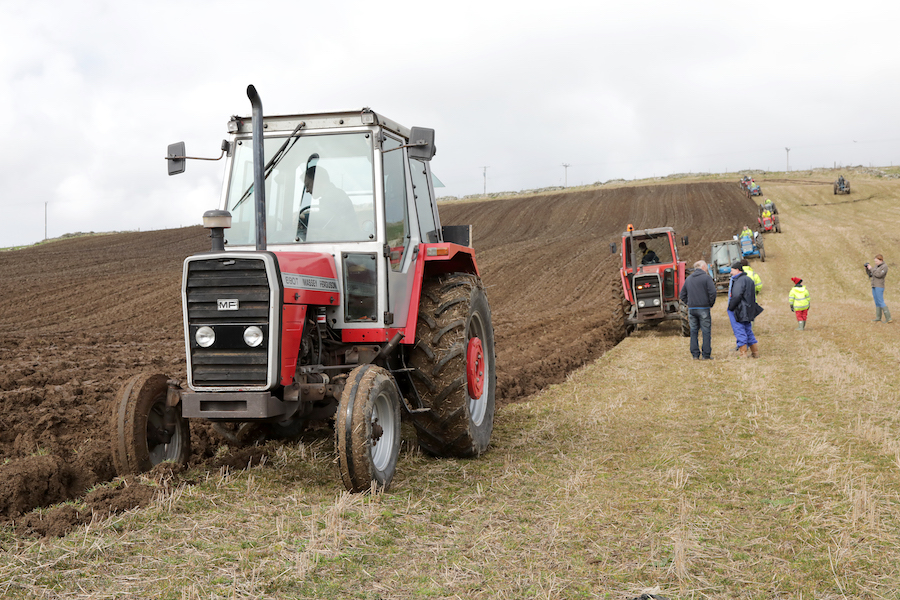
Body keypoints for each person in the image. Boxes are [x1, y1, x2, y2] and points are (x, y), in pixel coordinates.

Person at [679, 260, 717, 359]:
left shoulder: (689, 279)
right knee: (706, 331)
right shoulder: (707, 278)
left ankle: (695, 355)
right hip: (704, 308)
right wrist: (710, 304)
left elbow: (682, 295)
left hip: (692, 309)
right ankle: (706, 355)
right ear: (703, 267)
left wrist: (689, 303)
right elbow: (713, 292)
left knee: (693, 331)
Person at [727, 260, 763, 358]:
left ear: (738, 270)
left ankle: (743, 354)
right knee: (748, 330)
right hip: (748, 309)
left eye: (732, 270)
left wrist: (730, 307)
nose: (731, 272)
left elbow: (737, 295)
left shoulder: (739, 280)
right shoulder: (748, 279)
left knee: (739, 330)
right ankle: (755, 353)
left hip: (738, 309)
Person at [865, 255, 892, 323]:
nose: (876, 262)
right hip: (874, 285)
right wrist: (867, 269)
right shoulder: (876, 266)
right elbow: (871, 274)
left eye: (876, 261)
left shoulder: (884, 266)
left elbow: (879, 275)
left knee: (880, 301)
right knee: (876, 302)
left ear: (881, 260)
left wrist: (871, 268)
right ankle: (878, 317)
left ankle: (888, 318)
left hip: (879, 286)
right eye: (875, 261)